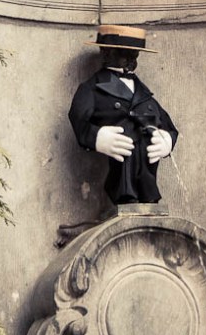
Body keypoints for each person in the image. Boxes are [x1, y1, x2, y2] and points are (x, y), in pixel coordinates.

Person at [68, 25, 178, 204]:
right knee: (126, 152)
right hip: (122, 162)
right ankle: (127, 195)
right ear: (106, 53)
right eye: (124, 54)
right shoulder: (92, 88)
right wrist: (97, 138)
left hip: (147, 166)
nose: (130, 60)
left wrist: (167, 140)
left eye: (135, 55)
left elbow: (168, 124)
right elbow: (78, 118)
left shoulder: (143, 91)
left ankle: (147, 194)